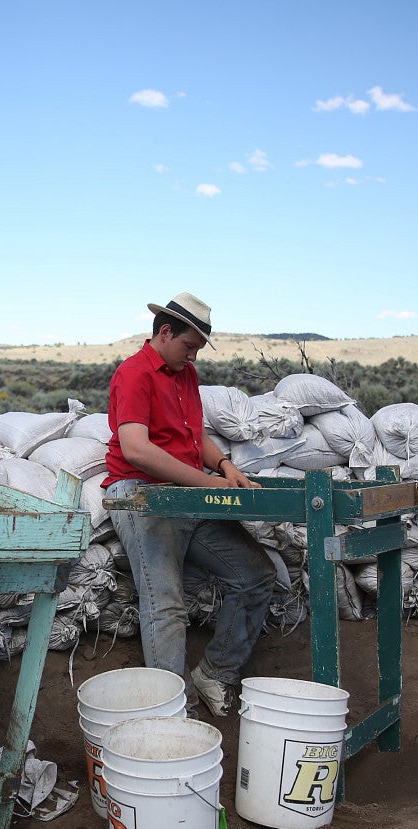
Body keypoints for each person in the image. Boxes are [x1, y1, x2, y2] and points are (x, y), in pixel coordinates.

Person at [102, 292, 274, 717]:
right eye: (189, 345)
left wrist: (224, 465)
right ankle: (172, 712)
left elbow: (194, 434)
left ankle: (215, 673)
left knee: (255, 575)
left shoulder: (186, 375)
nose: (193, 355)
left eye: (197, 348)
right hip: (144, 495)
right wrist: (206, 484)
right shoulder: (134, 373)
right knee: (164, 603)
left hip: (188, 493)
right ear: (165, 332)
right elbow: (136, 449)